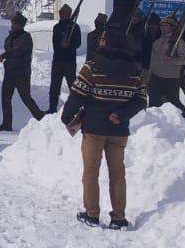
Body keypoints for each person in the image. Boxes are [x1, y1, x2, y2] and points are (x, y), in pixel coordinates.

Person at [62, 17, 147, 230]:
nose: (100, 41)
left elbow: (77, 95)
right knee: (118, 174)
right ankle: (118, 218)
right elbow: (141, 99)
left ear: (107, 42)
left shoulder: (92, 66)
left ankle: (92, 214)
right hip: (119, 130)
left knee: (91, 172)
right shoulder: (134, 70)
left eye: (102, 39)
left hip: (94, 129)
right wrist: (122, 114)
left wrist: (67, 117)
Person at [0, 13, 44, 131]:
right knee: (5, 98)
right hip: (10, 72)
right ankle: (7, 123)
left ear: (21, 25)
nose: (13, 25)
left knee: (26, 98)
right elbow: (9, 47)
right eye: (13, 23)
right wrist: (6, 54)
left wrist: (4, 55)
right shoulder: (10, 37)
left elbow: (18, 50)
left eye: (15, 23)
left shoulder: (26, 37)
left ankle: (42, 118)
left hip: (22, 73)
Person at [147, 15, 185, 115]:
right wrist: (149, 77)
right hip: (156, 76)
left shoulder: (179, 42)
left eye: (166, 25)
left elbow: (183, 60)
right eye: (162, 25)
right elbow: (152, 61)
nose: (163, 27)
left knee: (174, 102)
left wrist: (171, 60)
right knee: (153, 102)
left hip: (171, 78)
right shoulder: (157, 42)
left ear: (172, 27)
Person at [48, 4, 82, 113]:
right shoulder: (56, 27)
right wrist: (61, 45)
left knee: (72, 86)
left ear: (68, 15)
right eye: (60, 13)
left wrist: (69, 45)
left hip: (70, 62)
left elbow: (78, 43)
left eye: (63, 14)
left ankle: (75, 108)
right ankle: (52, 108)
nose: (61, 15)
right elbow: (54, 43)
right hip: (57, 61)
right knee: (54, 86)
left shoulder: (75, 27)